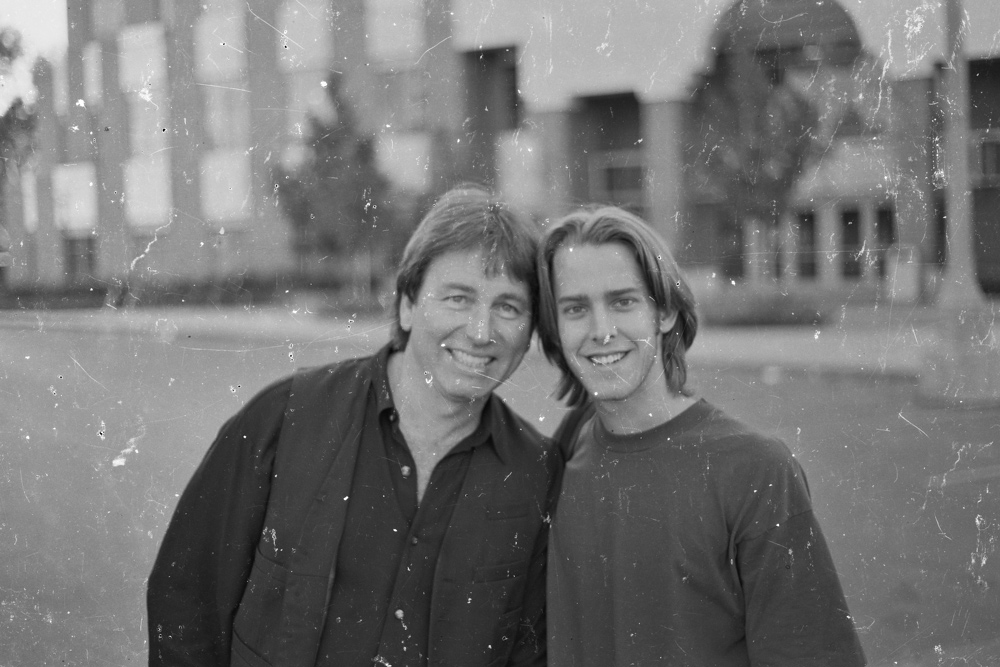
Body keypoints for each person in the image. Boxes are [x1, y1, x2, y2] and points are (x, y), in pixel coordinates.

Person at [147, 186, 558, 667]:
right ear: (407, 303)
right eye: (458, 298)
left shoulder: (537, 473)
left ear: (530, 329)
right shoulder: (284, 419)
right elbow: (185, 602)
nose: (482, 331)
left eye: (508, 307)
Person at [536, 206, 866, 666]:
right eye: (575, 308)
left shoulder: (755, 469)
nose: (601, 331)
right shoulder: (560, 460)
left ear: (666, 311)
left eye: (623, 301)